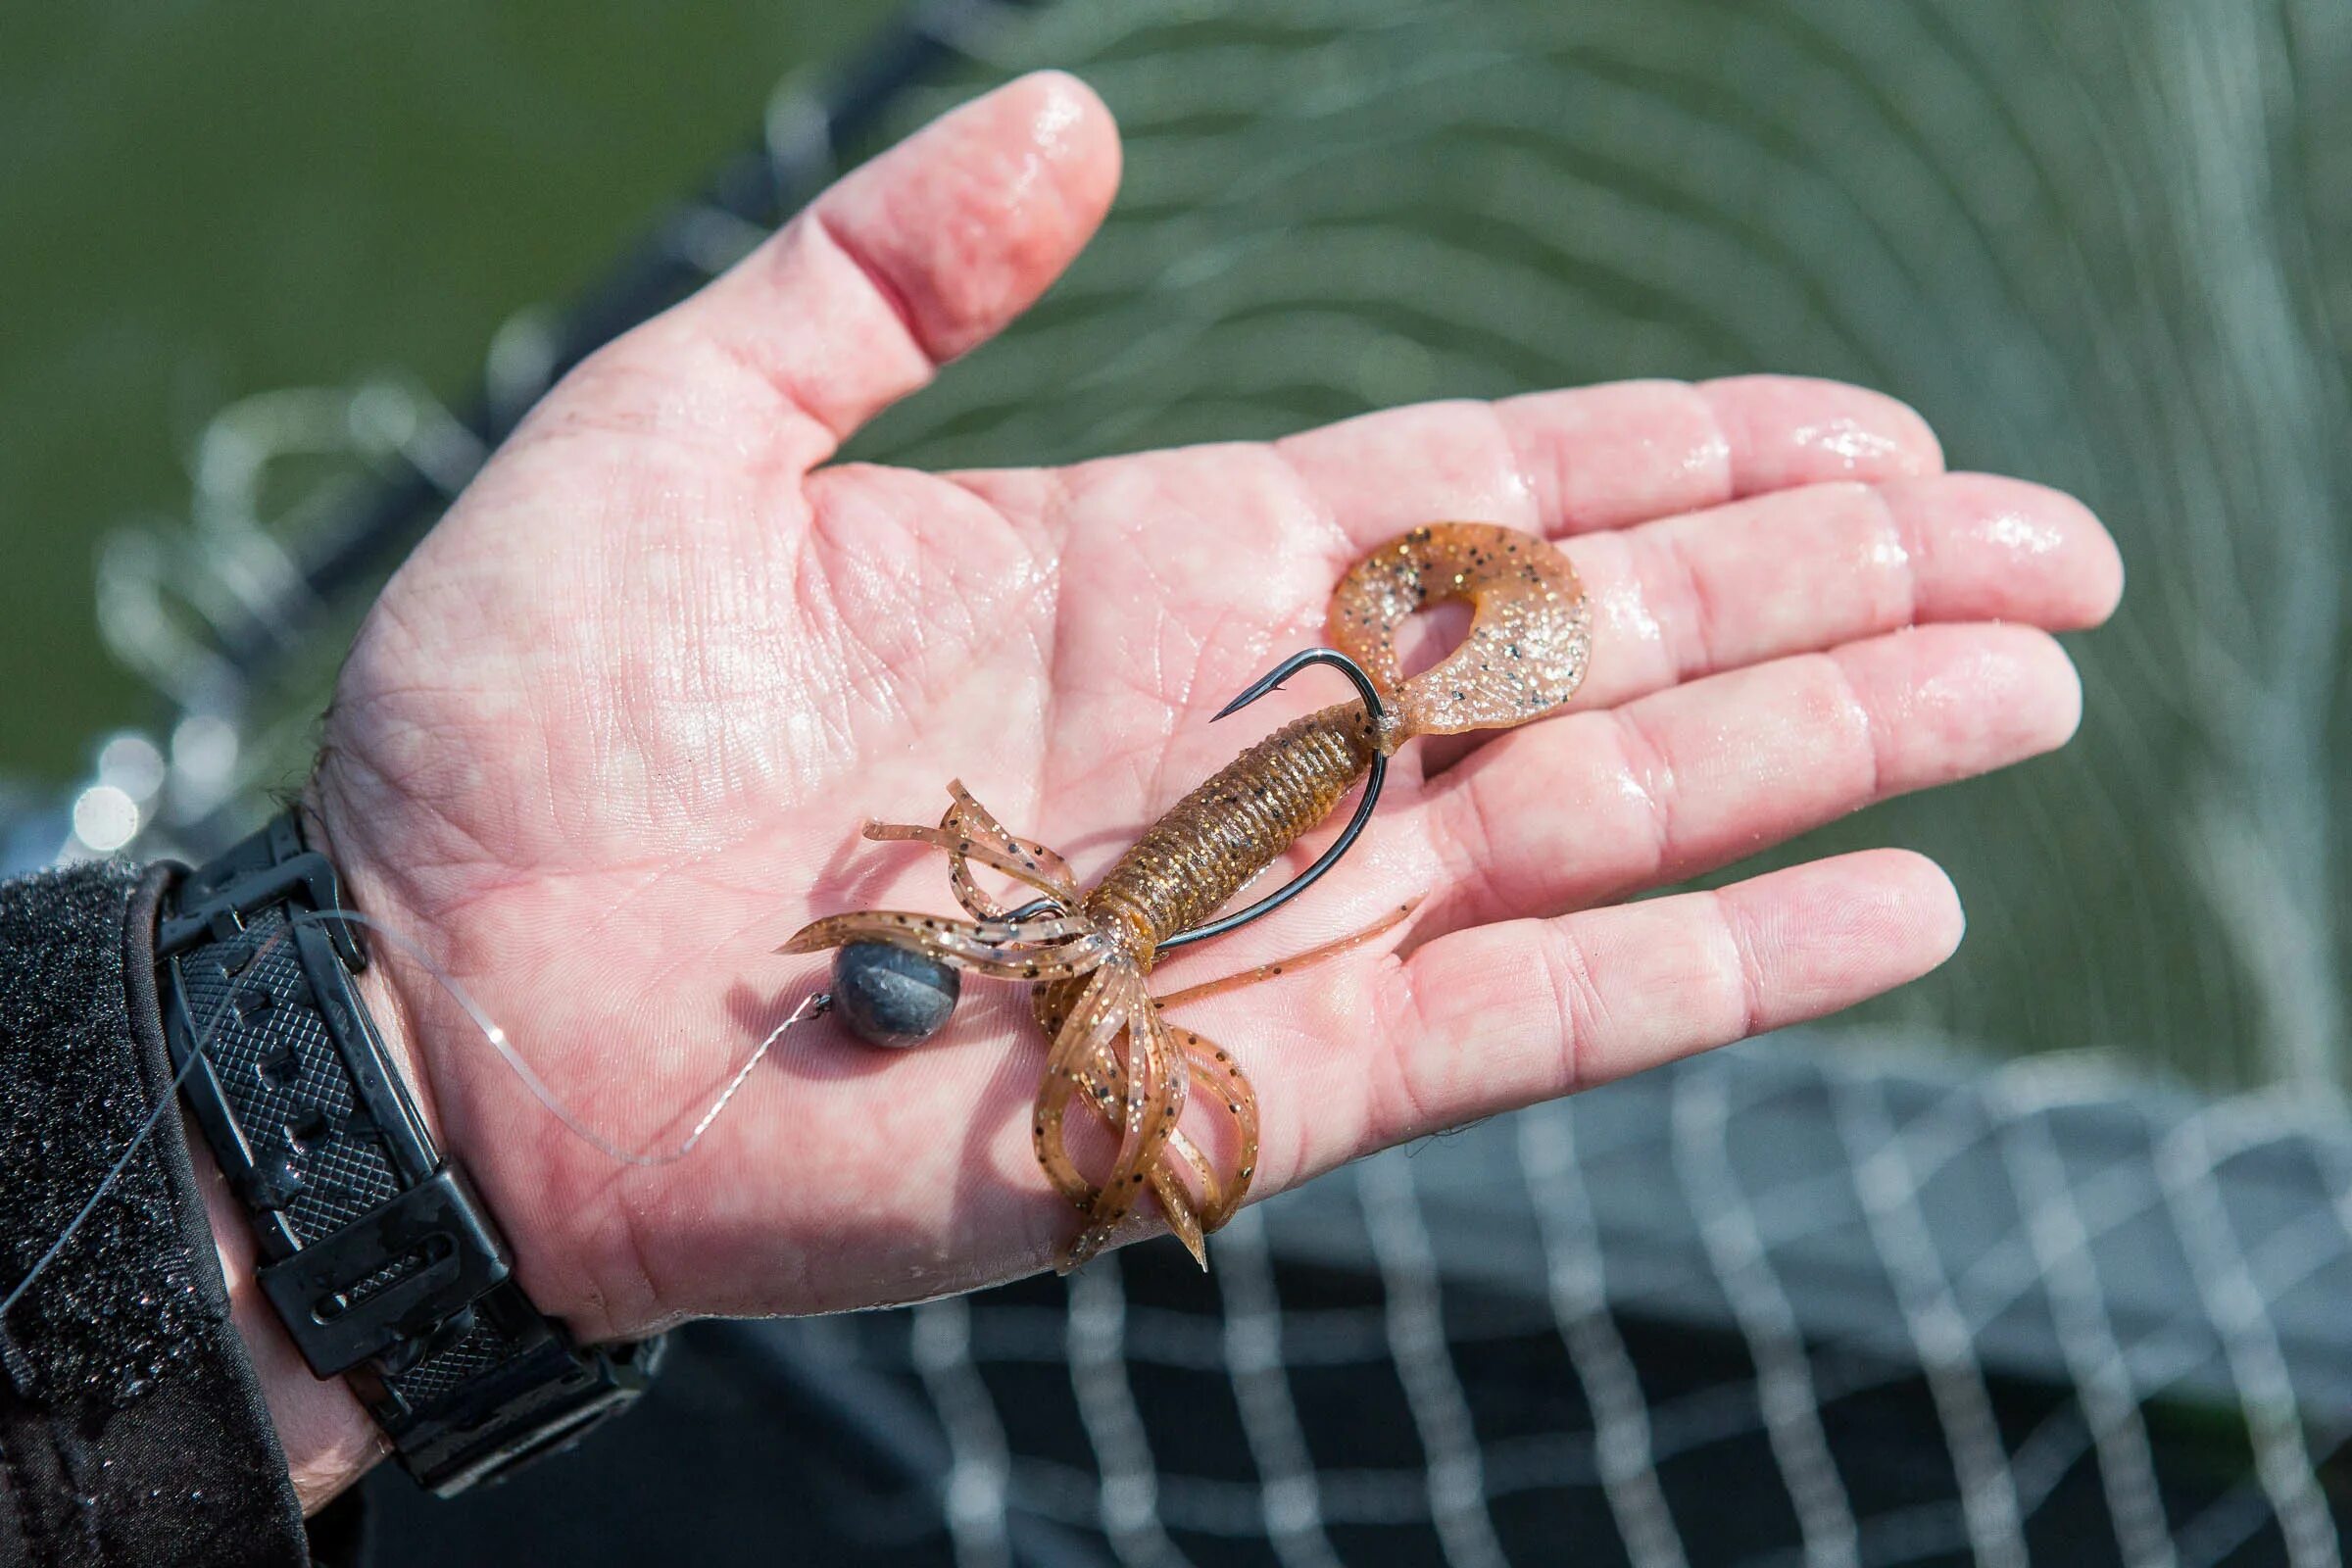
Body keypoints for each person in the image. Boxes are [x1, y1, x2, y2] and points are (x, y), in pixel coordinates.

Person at [0, 72, 2121, 1565]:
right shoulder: (1099, 925)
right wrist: (440, 1066)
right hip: (1232, 821)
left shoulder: (1261, 794)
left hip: (1290, 775)